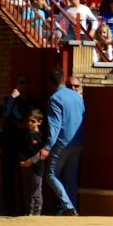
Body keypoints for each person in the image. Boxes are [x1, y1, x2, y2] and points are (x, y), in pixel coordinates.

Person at [44, 70, 86, 216]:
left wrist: (47, 146)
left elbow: (54, 126)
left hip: (63, 142)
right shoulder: (78, 97)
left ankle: (68, 207)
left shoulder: (55, 98)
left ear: (50, 83)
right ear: (63, 81)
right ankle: (72, 205)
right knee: (71, 176)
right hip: (79, 140)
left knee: (51, 174)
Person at [0, 77, 38, 217]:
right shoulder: (9, 100)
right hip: (9, 144)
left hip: (24, 145)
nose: (24, 85)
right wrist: (12, 97)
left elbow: (36, 119)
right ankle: (8, 208)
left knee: (24, 179)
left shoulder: (32, 102)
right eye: (21, 82)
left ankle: (24, 209)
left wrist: (24, 124)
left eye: (26, 82)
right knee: (8, 178)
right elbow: (3, 114)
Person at [17, 109, 49, 216]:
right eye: (28, 121)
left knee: (36, 190)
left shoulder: (41, 136)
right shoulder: (24, 134)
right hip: (25, 165)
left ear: (39, 122)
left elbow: (41, 153)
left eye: (33, 121)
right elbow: (21, 149)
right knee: (27, 190)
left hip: (37, 167)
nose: (29, 123)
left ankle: (36, 212)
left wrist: (31, 161)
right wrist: (22, 161)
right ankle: (28, 212)